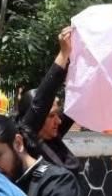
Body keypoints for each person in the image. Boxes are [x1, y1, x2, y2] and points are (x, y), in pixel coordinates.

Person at [16, 27, 80, 173]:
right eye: (51, 115)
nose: (58, 121)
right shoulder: (28, 138)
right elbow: (44, 97)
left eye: (57, 114)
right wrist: (63, 53)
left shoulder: (52, 137)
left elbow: (77, 101)